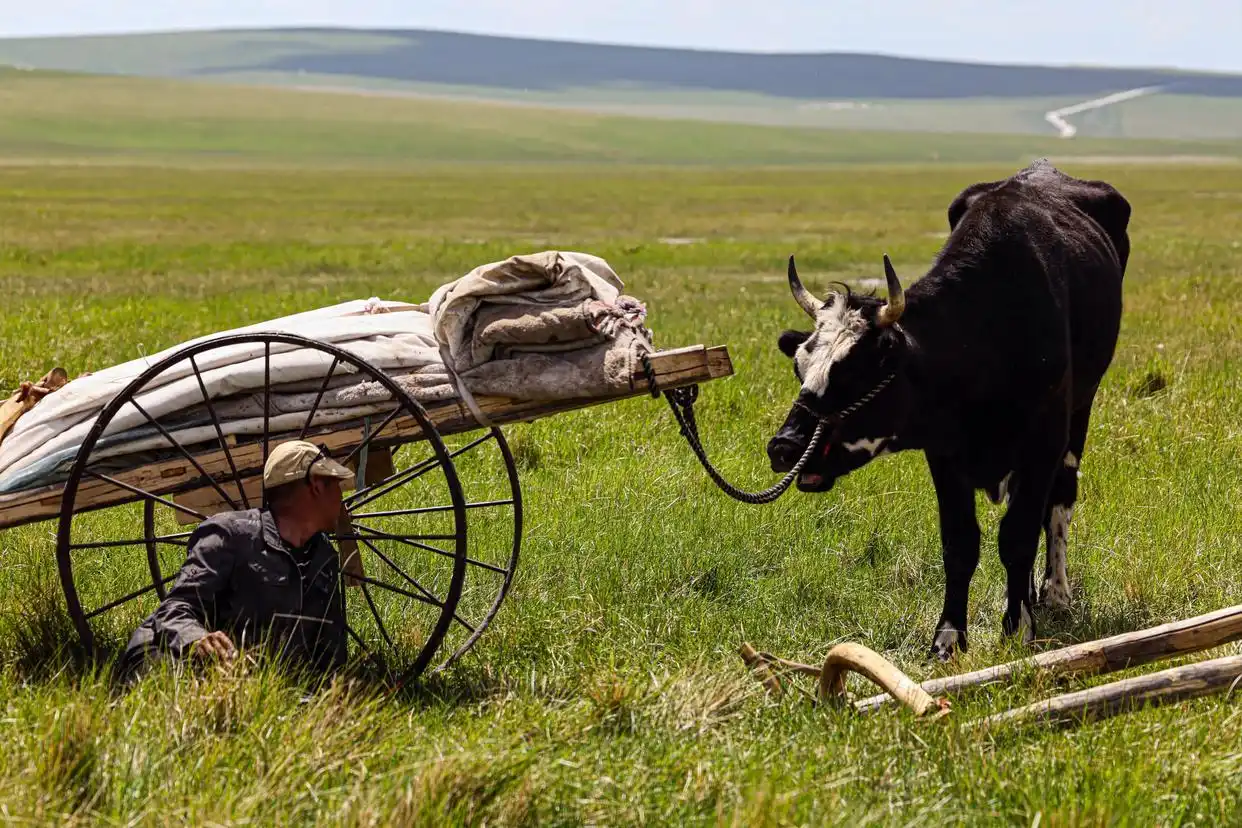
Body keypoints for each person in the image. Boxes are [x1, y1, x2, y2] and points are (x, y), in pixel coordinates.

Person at [118, 439, 356, 682]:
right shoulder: (230, 534)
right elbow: (174, 609)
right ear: (316, 485)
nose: (341, 496)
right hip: (174, 656)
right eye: (336, 485)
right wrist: (197, 640)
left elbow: (328, 655)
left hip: (247, 675)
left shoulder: (323, 557)